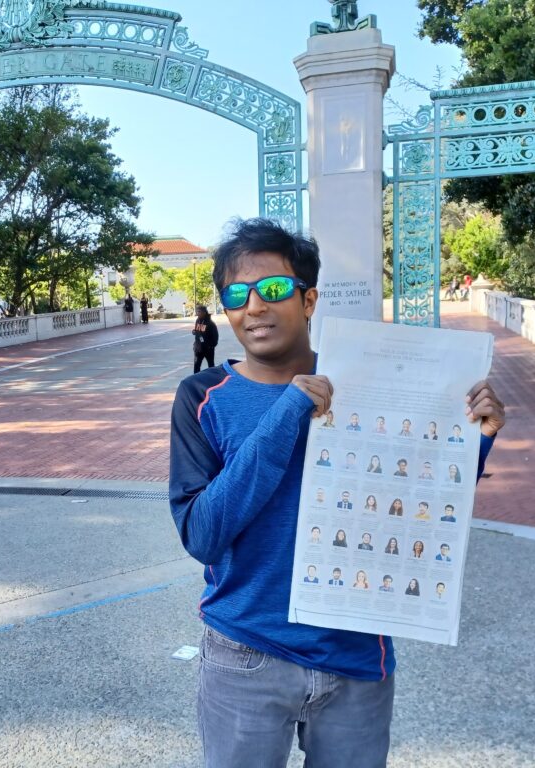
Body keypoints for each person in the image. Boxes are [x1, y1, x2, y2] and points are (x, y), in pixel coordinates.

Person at [168, 217, 506, 767]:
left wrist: (475, 441)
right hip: (245, 650)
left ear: (308, 299)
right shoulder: (202, 396)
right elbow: (203, 534)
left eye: (274, 289)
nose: (254, 306)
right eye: (237, 293)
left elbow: (411, 506)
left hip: (355, 652)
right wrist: (289, 413)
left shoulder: (369, 382)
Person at [192, 305, 219, 373]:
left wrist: (211, 346)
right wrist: (194, 332)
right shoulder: (198, 320)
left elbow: (215, 336)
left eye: (199, 311)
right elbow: (197, 331)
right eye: (197, 311)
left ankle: (212, 378)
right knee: (196, 365)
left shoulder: (210, 323)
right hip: (198, 348)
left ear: (204, 312)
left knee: (211, 365)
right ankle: (196, 379)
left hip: (208, 349)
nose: (197, 313)